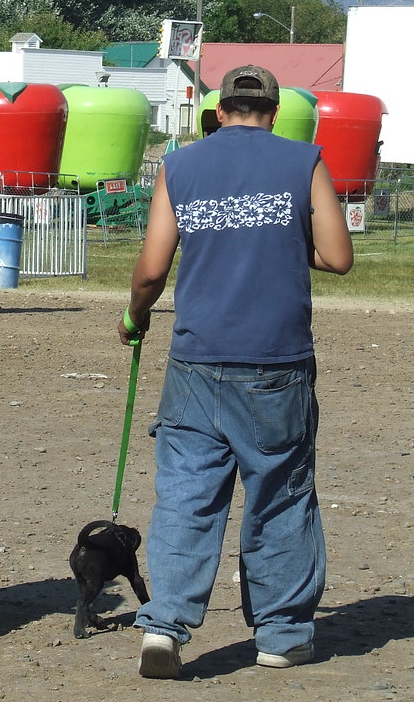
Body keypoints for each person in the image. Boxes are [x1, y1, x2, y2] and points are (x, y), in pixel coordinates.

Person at [118, 65, 353, 679]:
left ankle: (164, 627)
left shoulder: (181, 166)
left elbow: (150, 269)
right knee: (280, 493)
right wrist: (276, 236)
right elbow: (338, 256)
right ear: (273, 113)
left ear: (220, 112)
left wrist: (134, 316)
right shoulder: (304, 161)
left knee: (186, 497)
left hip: (196, 362)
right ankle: (280, 634)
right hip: (277, 365)